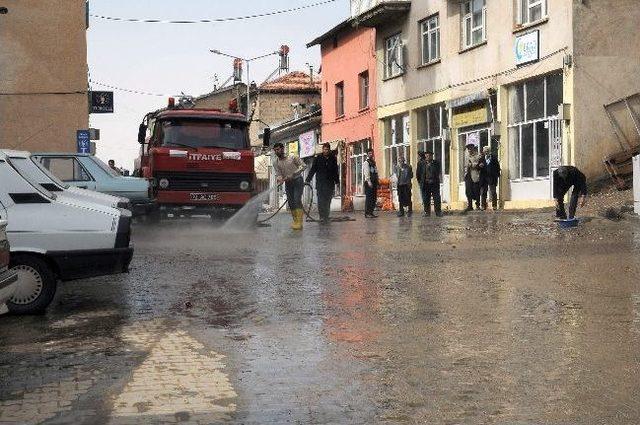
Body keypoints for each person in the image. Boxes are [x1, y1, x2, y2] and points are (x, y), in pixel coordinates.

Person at [273, 142, 307, 230]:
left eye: (278, 149)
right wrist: (280, 179)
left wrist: (293, 173)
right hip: (288, 183)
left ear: (283, 149)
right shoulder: (276, 162)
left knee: (296, 200)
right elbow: (279, 174)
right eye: (275, 150)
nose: (277, 151)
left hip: (297, 181)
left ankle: (299, 222)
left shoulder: (293, 157)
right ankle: (295, 221)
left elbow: (303, 166)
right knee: (291, 202)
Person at [306, 142, 339, 225]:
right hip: (320, 184)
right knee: (321, 201)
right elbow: (313, 169)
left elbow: (335, 171)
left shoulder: (333, 158)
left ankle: (326, 216)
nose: (326, 151)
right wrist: (308, 180)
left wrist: (337, 182)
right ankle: (321, 217)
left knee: (328, 201)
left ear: (329, 150)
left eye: (327, 149)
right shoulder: (318, 158)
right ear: (322, 149)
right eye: (324, 149)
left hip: (329, 184)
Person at [417, 150, 442, 217]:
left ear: (432, 156)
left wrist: (433, 179)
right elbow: (418, 174)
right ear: (425, 156)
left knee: (436, 198)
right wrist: (421, 182)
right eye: (427, 155)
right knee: (426, 199)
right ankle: (427, 212)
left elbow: (437, 172)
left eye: (429, 156)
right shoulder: (421, 163)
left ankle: (438, 212)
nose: (428, 157)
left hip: (434, 184)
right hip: (425, 184)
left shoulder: (436, 163)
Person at [482, 146, 501, 210]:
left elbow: (497, 167)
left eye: (487, 151)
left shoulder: (493, 157)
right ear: (483, 152)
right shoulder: (482, 158)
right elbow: (478, 168)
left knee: (493, 192)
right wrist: (480, 166)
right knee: (483, 192)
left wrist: (497, 175)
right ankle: (483, 206)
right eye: (485, 151)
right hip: (484, 178)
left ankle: (494, 205)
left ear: (489, 151)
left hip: (492, 177)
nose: (486, 152)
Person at [464, 144, 481, 211]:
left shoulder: (477, 156)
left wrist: (472, 165)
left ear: (473, 149)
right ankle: (470, 206)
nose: (469, 150)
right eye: (468, 149)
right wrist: (468, 165)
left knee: (476, 191)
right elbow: (465, 165)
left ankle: (477, 205)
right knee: (468, 191)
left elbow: (479, 164)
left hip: (475, 175)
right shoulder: (466, 156)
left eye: (470, 149)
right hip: (468, 175)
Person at [362, 148, 379, 218]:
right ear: (367, 154)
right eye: (369, 153)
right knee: (369, 198)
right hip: (369, 182)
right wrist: (369, 181)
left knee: (374, 198)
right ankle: (367, 213)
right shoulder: (366, 162)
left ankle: (371, 212)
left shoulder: (373, 162)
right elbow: (366, 173)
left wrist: (377, 179)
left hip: (374, 181)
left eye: (372, 153)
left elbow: (376, 171)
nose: (371, 154)